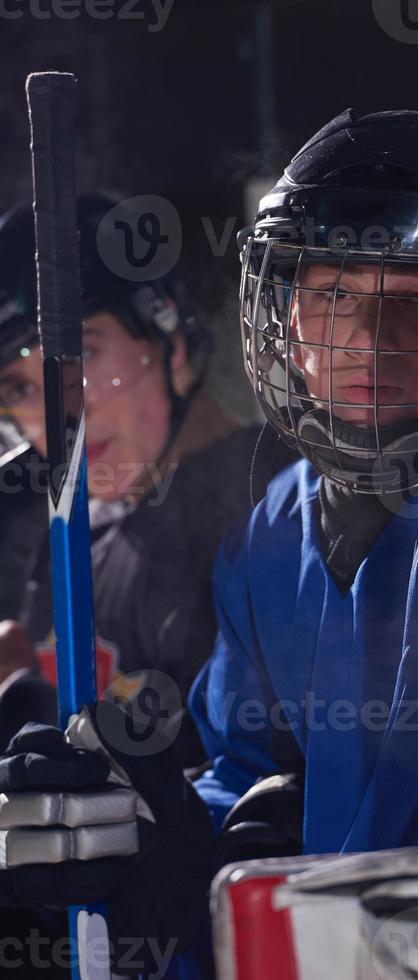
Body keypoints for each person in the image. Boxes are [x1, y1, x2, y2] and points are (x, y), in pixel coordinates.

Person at [0, 111, 418, 978]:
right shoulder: (271, 530)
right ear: (283, 318)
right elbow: (245, 790)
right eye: (332, 296)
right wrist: (159, 843)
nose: (370, 343)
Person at [0, 192, 293, 765]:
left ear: (172, 345)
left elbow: (252, 786)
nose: (57, 414)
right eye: (20, 387)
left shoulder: (281, 505)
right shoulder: (76, 531)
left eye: (80, 357)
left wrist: (20, 700)